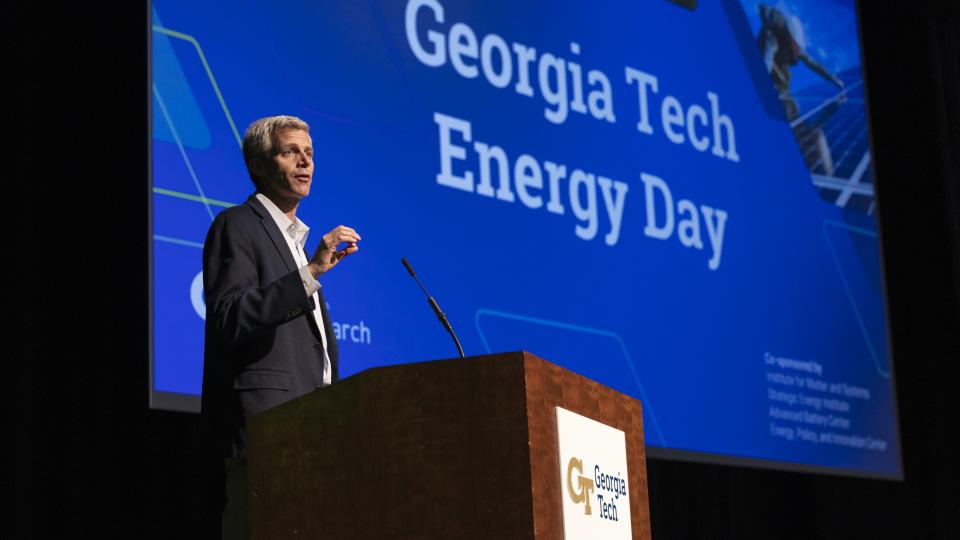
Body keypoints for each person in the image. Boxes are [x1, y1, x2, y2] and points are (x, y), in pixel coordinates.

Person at [200, 115, 361, 539]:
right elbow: (230, 317)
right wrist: (310, 271)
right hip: (268, 432)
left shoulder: (296, 242)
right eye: (291, 152)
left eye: (309, 154)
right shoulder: (237, 225)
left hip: (314, 435)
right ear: (259, 165)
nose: (304, 162)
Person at [758, 4, 845, 175]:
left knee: (808, 128)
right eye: (795, 45)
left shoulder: (797, 49)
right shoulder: (772, 40)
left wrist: (834, 80)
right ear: (788, 37)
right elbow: (767, 61)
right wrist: (763, 90)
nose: (797, 49)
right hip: (769, 80)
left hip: (782, 88)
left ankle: (825, 171)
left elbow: (814, 64)